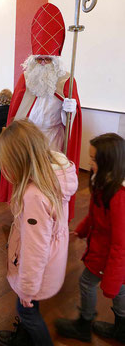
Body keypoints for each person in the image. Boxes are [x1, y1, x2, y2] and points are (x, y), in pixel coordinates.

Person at [0, 119, 78, 346]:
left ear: (18, 163)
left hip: (36, 270)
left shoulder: (33, 196)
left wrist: (27, 288)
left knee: (27, 311)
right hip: (50, 261)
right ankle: (24, 337)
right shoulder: (55, 176)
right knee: (28, 309)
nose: (3, 171)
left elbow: (35, 249)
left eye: (5, 165)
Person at [0, 3, 82, 221]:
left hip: (52, 143)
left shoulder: (66, 81)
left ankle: (50, 219)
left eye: (48, 59)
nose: (43, 62)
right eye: (40, 58)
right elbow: (16, 113)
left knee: (49, 186)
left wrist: (69, 112)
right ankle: (23, 220)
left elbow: (71, 127)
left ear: (55, 60)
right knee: (26, 186)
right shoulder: (26, 78)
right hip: (28, 142)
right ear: (33, 58)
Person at [55, 133, 125, 344]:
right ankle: (121, 327)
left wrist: (111, 279)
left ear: (109, 162)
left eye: (94, 159)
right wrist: (83, 229)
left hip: (109, 256)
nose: (89, 162)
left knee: (92, 283)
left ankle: (84, 325)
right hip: (101, 250)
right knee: (120, 289)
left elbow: (121, 244)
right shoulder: (102, 182)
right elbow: (95, 214)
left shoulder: (118, 195)